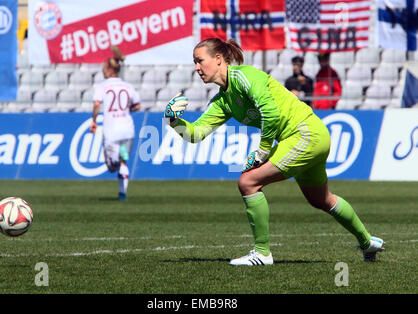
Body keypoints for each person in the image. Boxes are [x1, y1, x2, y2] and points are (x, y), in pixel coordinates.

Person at [164, 38, 384, 266]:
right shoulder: (222, 101)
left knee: (248, 182)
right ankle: (368, 241)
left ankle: (262, 253)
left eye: (200, 61)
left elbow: (270, 112)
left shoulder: (244, 76)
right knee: (321, 199)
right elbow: (196, 134)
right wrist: (173, 121)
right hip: (308, 136)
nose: (196, 68)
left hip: (304, 134)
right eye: (194, 62)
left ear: (218, 59)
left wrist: (263, 150)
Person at [90, 46, 140, 201]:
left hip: (112, 131)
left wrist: (93, 120)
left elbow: (97, 104)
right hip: (128, 130)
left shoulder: (103, 86)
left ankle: (116, 160)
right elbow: (137, 106)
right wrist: (125, 110)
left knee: (112, 166)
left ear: (109, 69)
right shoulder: (128, 86)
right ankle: (122, 193)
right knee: (124, 161)